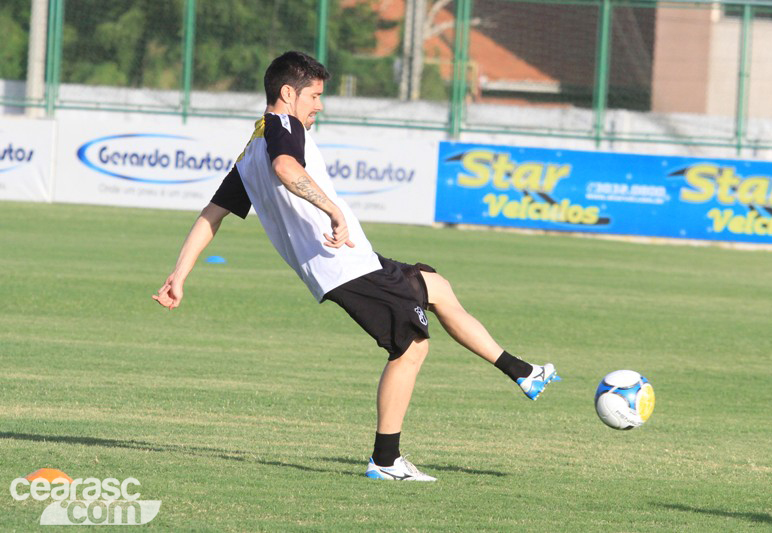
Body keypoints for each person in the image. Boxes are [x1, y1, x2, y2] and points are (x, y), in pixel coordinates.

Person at [153, 51, 559, 482]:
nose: (320, 105)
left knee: (435, 287)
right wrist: (332, 209)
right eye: (315, 95)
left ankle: (523, 373)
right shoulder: (282, 129)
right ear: (287, 94)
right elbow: (286, 166)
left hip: (352, 261)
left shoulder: (251, 149)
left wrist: (179, 274)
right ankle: (386, 460)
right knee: (412, 347)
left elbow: (211, 214)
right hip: (342, 265)